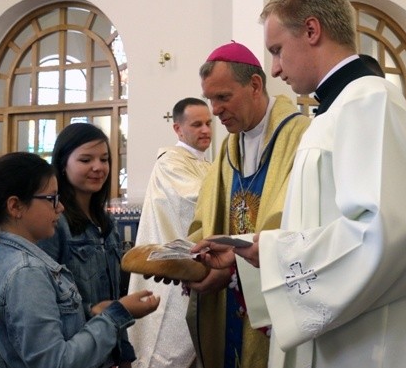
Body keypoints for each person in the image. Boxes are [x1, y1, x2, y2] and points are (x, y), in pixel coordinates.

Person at [192, 0, 406, 368]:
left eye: (277, 50)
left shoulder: (370, 104)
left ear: (311, 30)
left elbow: (389, 237)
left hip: (372, 347)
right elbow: (326, 225)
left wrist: (271, 254)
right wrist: (250, 256)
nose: (275, 68)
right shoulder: (334, 113)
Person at [0, 152, 159, 367]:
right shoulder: (26, 272)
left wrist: (93, 312)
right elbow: (55, 361)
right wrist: (117, 315)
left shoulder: (5, 254)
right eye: (51, 199)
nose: (60, 207)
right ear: (15, 206)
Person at [184, 41, 310, 368]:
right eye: (210, 99)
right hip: (231, 304)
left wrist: (232, 269)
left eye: (223, 97)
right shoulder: (228, 149)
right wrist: (198, 262)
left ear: (255, 86)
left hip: (276, 305)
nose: (214, 110)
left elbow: (303, 227)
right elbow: (205, 220)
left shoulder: (302, 137)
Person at [38, 122, 138, 368]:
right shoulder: (54, 223)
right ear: (63, 164)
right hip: (74, 351)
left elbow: (113, 300)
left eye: (104, 159)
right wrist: (91, 309)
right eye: (85, 160)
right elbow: (42, 294)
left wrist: (124, 354)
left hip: (107, 351)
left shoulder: (106, 223)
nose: (98, 167)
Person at [127, 97, 212, 368]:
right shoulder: (171, 162)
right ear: (178, 129)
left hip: (195, 267)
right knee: (164, 347)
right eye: (197, 124)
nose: (206, 130)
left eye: (209, 123)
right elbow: (195, 202)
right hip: (169, 275)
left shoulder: (205, 163)